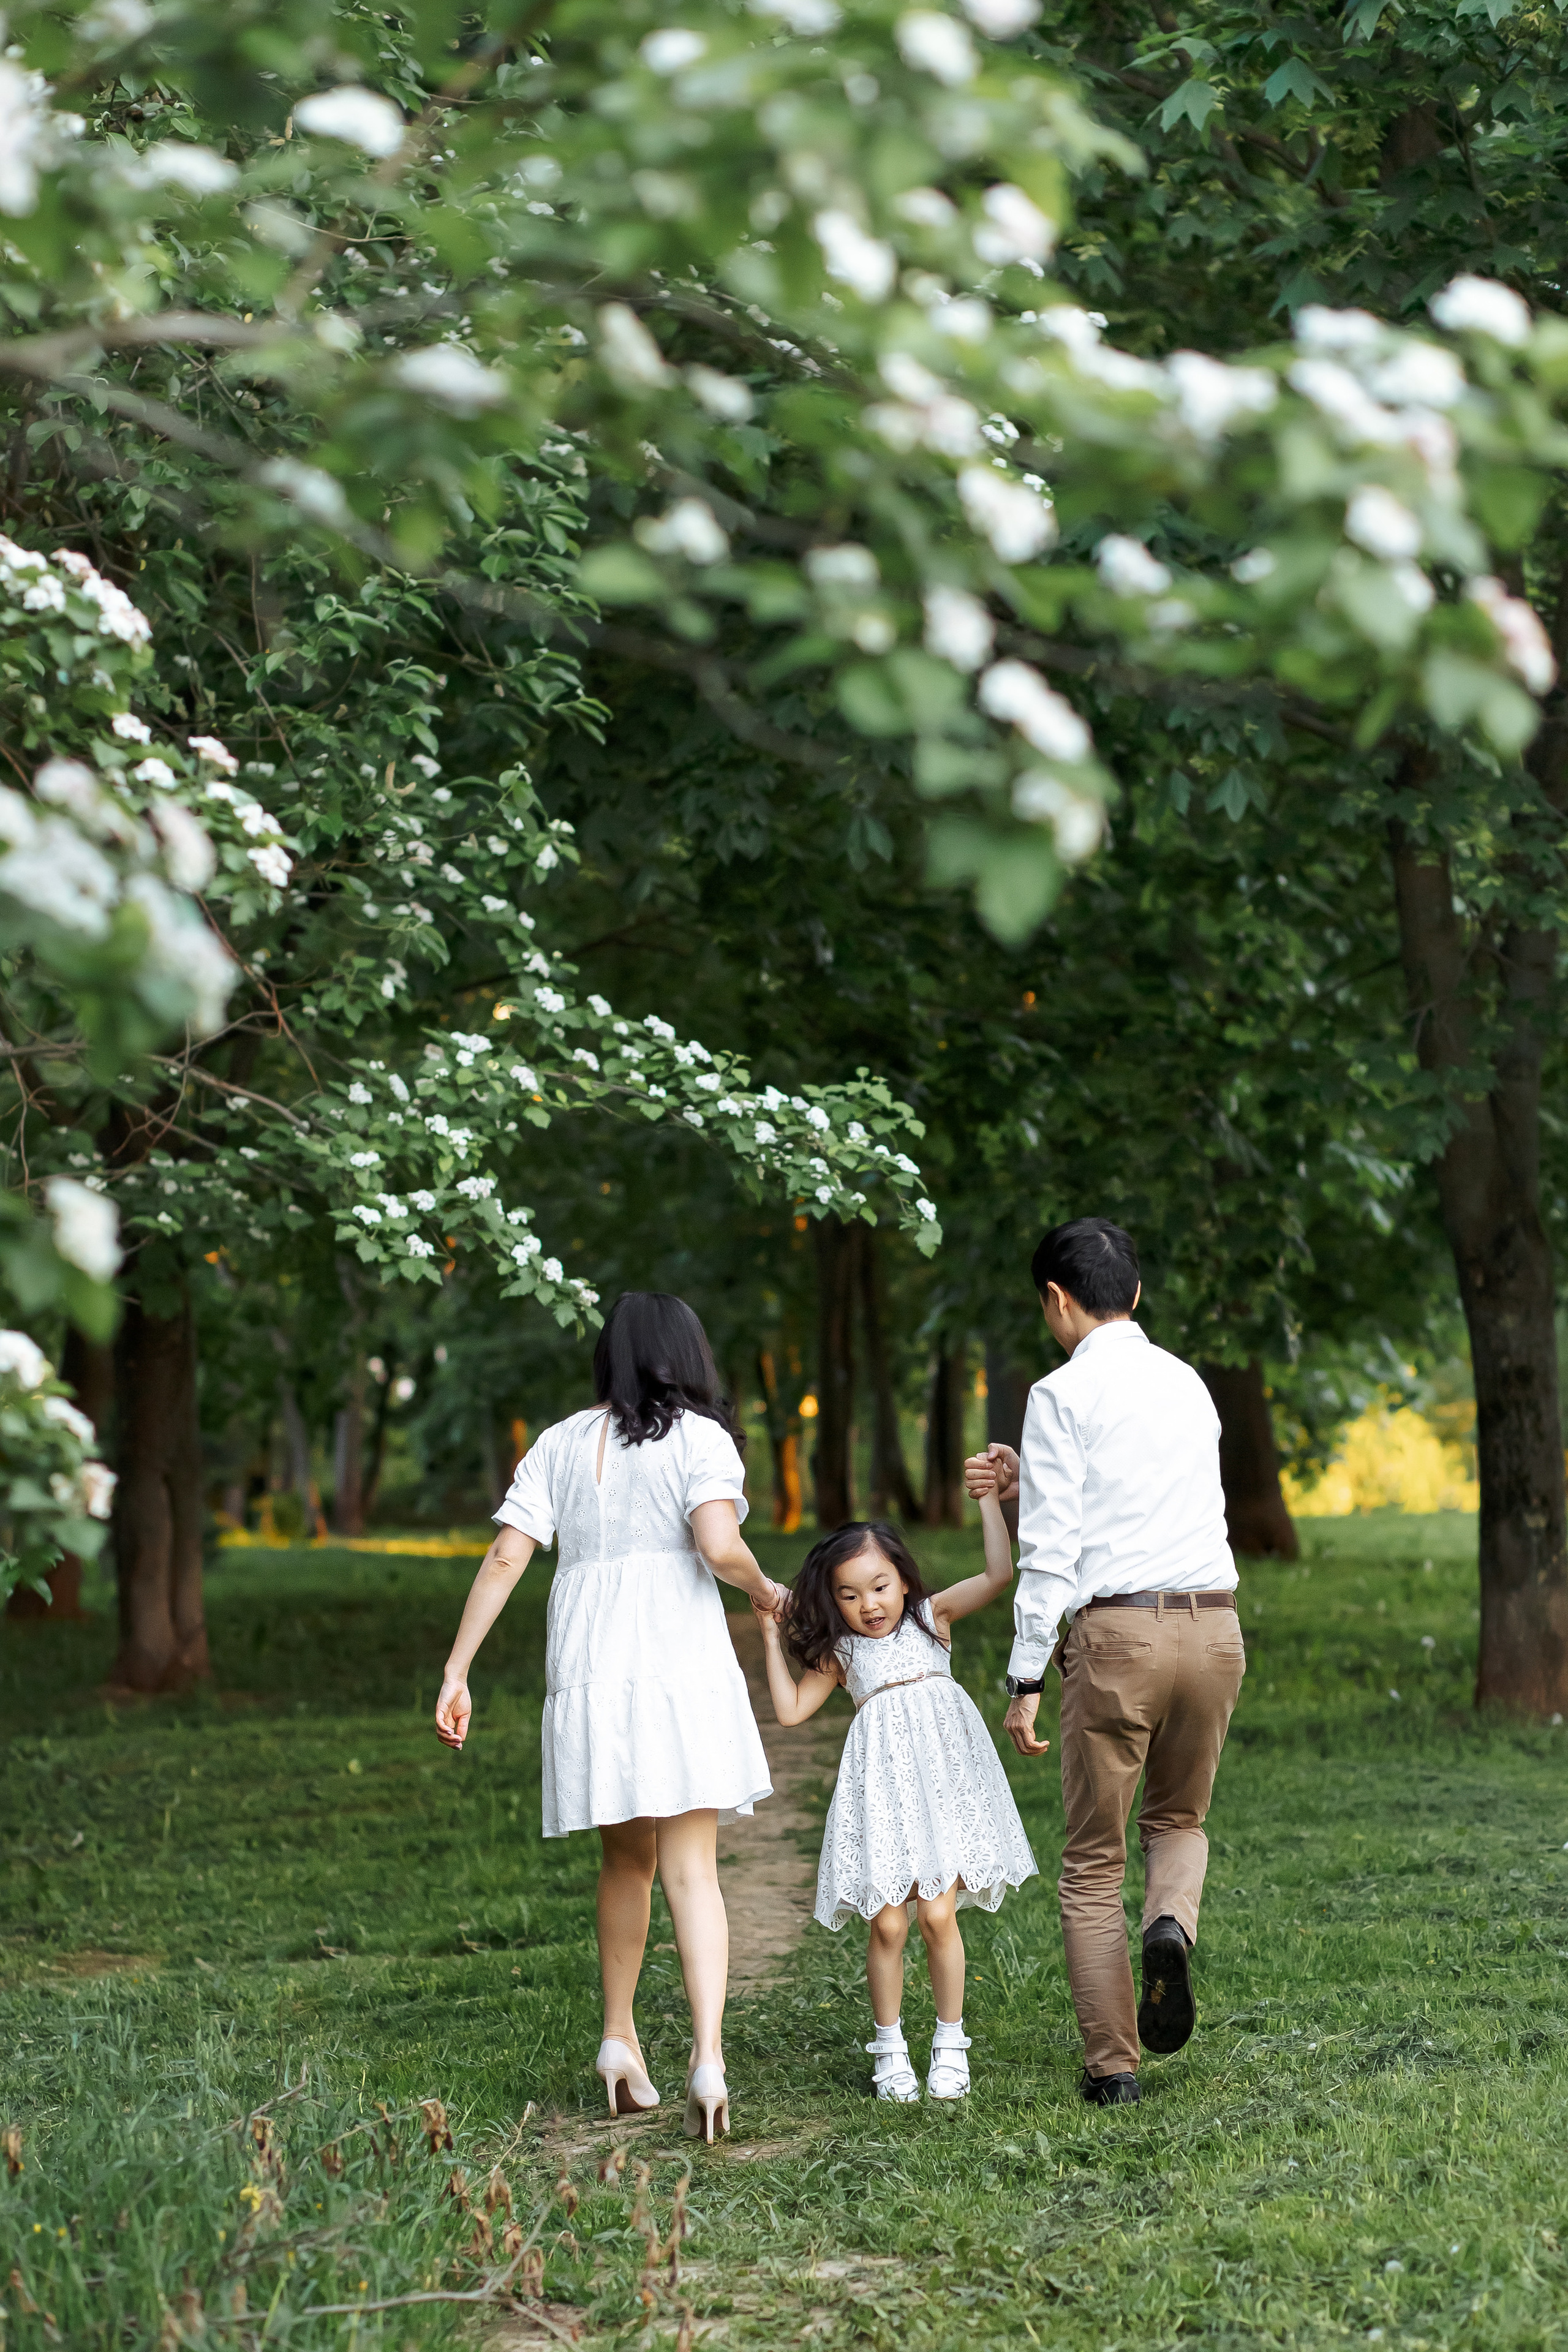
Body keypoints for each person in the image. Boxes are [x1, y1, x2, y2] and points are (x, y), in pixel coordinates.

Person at [434, 1290, 788, 2144]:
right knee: (692, 1871)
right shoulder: (699, 1439)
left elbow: (507, 1555)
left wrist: (457, 1668)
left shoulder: (558, 1443)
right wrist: (766, 1589)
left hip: (590, 1668)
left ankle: (619, 2038)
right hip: (677, 1665)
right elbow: (717, 1545)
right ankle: (708, 2059)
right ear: (688, 1356)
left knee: (625, 1863)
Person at [965, 1216, 1245, 2108]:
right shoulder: (1188, 1383)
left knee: (1092, 1863)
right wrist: (1033, 1479)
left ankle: (1114, 2070)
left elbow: (1052, 1554)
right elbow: (1148, 1497)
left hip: (1119, 1639)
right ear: (1137, 1292)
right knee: (1180, 1821)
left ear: (1056, 1299)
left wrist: (1024, 1677)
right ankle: (1169, 1925)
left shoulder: (1059, 1395)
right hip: (1214, 1629)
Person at [751, 1507, 1036, 2102]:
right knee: (886, 1924)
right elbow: (791, 1711)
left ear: (904, 1581)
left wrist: (987, 1501)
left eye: (880, 1587)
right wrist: (770, 1636)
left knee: (937, 1917)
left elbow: (998, 1574)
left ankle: (950, 2044)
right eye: (849, 1595)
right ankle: (890, 2048)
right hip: (883, 1792)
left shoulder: (932, 1619)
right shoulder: (843, 1652)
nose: (869, 1605)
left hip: (942, 1790)